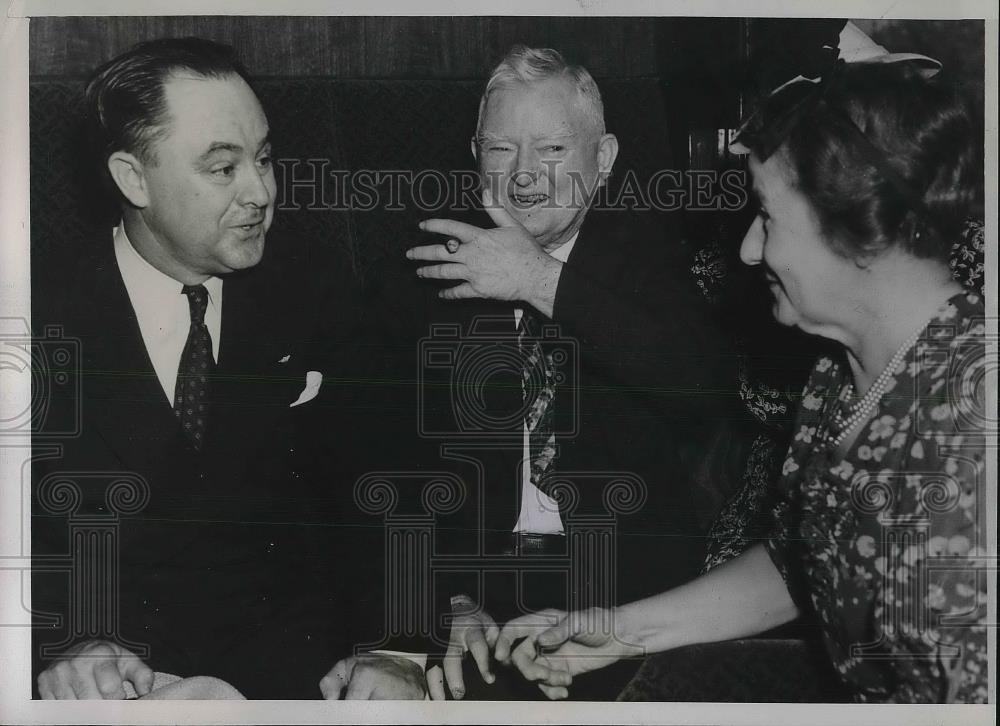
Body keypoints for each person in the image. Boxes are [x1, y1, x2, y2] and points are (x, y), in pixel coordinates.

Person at [493, 28, 989, 703]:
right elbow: (798, 561)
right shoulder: (836, 378)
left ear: (857, 228)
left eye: (767, 218)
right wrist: (625, 629)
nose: (750, 252)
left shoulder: (973, 435)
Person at [325, 46, 734, 700]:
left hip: (621, 596)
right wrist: (436, 608)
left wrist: (540, 282)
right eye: (499, 150)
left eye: (549, 150)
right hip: (466, 590)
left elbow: (703, 393)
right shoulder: (429, 265)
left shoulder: (645, 262)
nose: (523, 177)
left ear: (602, 161)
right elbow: (363, 462)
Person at [31, 37, 355, 699]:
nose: (261, 191)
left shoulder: (321, 292)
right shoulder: (31, 314)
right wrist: (59, 642)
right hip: (111, 686)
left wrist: (392, 644)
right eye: (223, 167)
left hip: (295, 684)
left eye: (264, 159)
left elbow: (370, 497)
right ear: (133, 178)